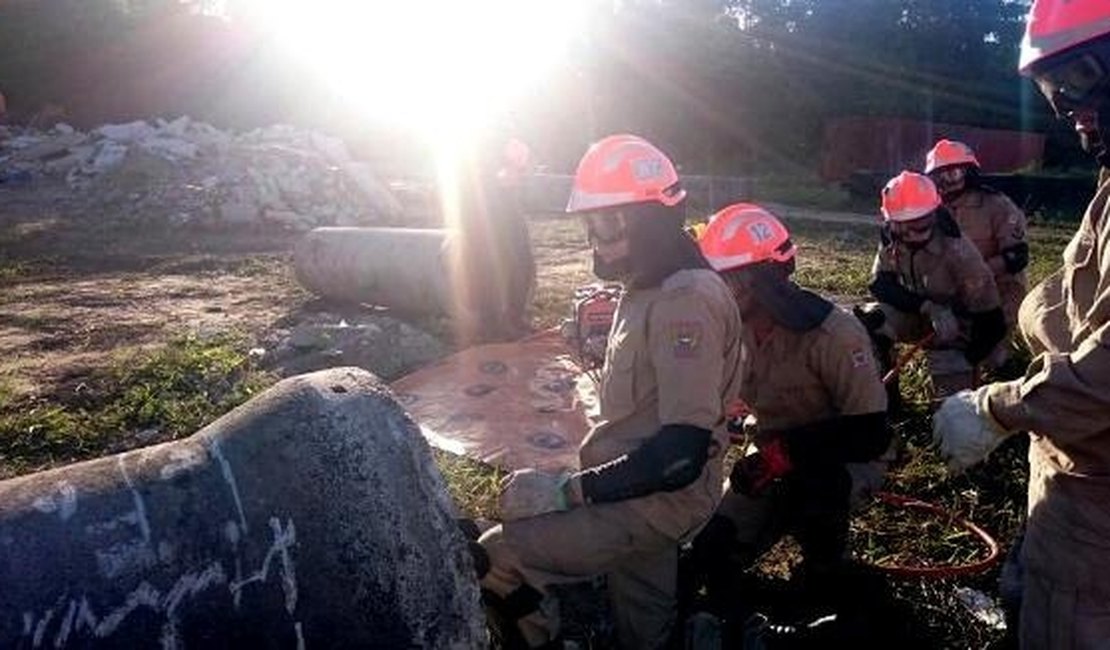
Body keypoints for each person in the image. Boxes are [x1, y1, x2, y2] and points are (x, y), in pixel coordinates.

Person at [475, 134, 742, 649]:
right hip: (637, 482)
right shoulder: (651, 284)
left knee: (497, 556)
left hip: (657, 496)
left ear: (653, 220)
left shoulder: (684, 301)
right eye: (591, 223)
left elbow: (680, 455)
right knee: (644, 627)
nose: (598, 240)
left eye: (611, 223)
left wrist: (566, 493)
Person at [933, 2, 1110, 646]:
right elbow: (1067, 301)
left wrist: (1001, 407)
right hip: (1072, 472)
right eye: (1050, 88)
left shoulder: (997, 207)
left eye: (1078, 78)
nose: (1064, 107)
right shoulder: (1109, 187)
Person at [683, 203, 890, 624]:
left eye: (728, 282)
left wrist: (781, 458)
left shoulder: (835, 335)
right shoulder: (728, 328)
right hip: (768, 455)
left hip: (843, 461)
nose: (716, 293)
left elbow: (869, 434)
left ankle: (825, 571)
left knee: (816, 492)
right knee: (711, 549)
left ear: (763, 282)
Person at [858, 171, 1006, 404]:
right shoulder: (891, 237)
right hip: (919, 315)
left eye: (920, 225)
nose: (911, 235)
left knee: (950, 409)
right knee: (870, 323)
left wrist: (970, 356)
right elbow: (880, 284)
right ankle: (888, 403)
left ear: (934, 215)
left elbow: (992, 321)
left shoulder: (960, 254)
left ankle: (985, 370)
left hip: (960, 330)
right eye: (903, 227)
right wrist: (927, 307)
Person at [924, 139, 1030, 368]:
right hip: (950, 296)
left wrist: (973, 275)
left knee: (992, 361)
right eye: (939, 175)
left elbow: (1017, 256)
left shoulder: (997, 205)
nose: (946, 181)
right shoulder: (929, 210)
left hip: (999, 293)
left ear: (968, 172)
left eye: (953, 173)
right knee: (943, 353)